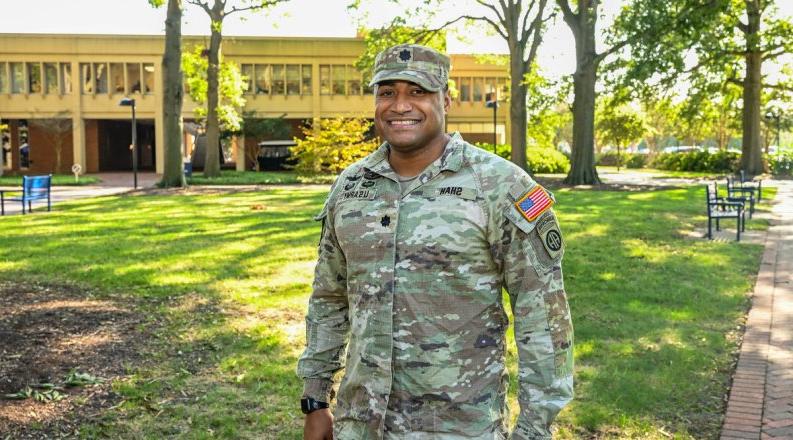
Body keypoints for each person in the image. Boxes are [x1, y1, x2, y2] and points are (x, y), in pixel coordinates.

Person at [297, 44, 573, 440]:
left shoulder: (500, 186)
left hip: (458, 428)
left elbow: (543, 317)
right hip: (360, 424)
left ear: (445, 99)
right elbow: (329, 297)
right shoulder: (350, 186)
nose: (400, 105)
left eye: (418, 92)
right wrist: (315, 399)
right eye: (387, 92)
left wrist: (533, 429)